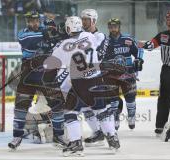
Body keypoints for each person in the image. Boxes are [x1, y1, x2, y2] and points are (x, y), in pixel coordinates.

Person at [44, 16, 120, 156]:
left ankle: (76, 144)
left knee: (70, 112)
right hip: (97, 79)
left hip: (80, 83)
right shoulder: (89, 36)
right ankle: (112, 138)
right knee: (101, 110)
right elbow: (98, 43)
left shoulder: (63, 45)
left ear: (68, 28)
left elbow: (49, 67)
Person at [8, 10, 66, 150]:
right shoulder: (23, 34)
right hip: (29, 73)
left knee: (58, 105)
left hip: (48, 72)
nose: (33, 23)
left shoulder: (47, 30)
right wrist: (50, 33)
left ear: (39, 20)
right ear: (27, 21)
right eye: (30, 21)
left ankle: (59, 136)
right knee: (21, 105)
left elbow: (64, 37)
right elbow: (31, 40)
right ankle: (17, 136)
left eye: (35, 20)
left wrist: (57, 29)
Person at [79, 9, 124, 147]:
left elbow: (95, 55)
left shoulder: (100, 36)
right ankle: (98, 132)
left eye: (87, 19)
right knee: (85, 108)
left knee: (101, 109)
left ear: (94, 20)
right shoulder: (79, 35)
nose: (84, 22)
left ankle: (111, 135)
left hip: (96, 77)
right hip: (80, 77)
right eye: (83, 19)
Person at [100, 18, 143, 130]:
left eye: (115, 26)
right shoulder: (105, 41)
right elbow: (100, 56)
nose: (113, 28)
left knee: (130, 98)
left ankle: (131, 118)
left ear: (119, 27)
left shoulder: (127, 39)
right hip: (111, 75)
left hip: (128, 74)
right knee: (113, 100)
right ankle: (115, 119)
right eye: (111, 26)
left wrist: (139, 59)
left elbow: (139, 49)